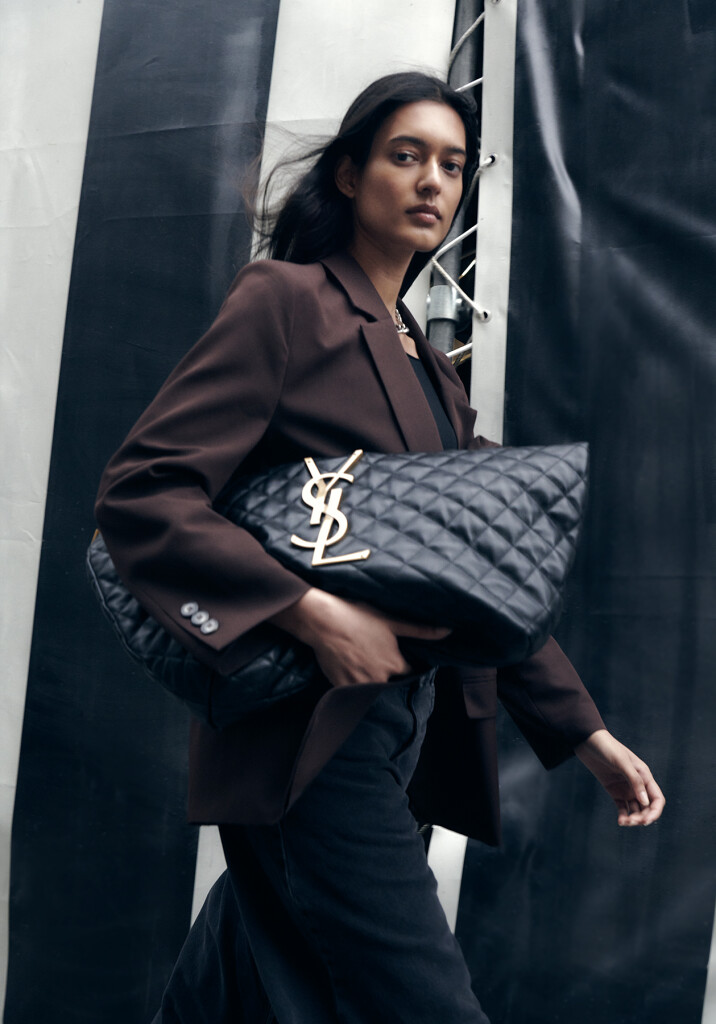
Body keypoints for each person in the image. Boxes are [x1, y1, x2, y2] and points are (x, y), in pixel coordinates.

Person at [95, 72, 665, 1024]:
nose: (434, 180)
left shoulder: (435, 374)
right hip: (311, 742)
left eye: (453, 164)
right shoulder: (285, 302)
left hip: (403, 741)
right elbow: (144, 492)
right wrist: (309, 613)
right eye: (407, 156)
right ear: (351, 176)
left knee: (231, 995)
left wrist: (583, 731)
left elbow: (476, 580)